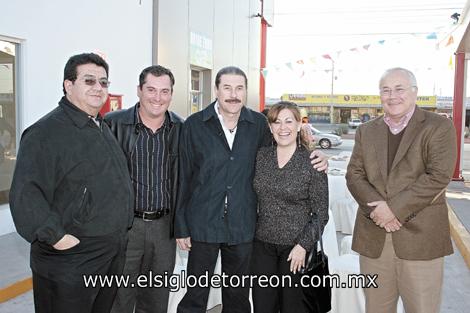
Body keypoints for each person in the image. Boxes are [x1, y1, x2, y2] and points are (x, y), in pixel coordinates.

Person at [174, 66, 328, 313]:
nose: (233, 94)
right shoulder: (194, 125)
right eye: (227, 88)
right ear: (216, 90)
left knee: (237, 297)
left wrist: (316, 155)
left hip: (243, 226)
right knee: (196, 294)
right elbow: (183, 177)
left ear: (246, 91)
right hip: (202, 223)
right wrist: (181, 225)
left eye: (239, 88)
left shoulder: (258, 124)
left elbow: (284, 148)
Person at [9, 53, 134, 313]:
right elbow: (26, 195)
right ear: (68, 85)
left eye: (103, 82)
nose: (98, 88)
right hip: (71, 257)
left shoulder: (100, 126)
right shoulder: (45, 133)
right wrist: (57, 237)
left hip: (109, 252)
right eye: (89, 81)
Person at [346, 67, 457, 313]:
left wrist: (393, 210)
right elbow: (354, 175)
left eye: (399, 89)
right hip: (374, 240)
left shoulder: (438, 126)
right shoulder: (366, 131)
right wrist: (379, 210)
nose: (392, 95)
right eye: (386, 90)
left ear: (415, 93)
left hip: (420, 240)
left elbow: (438, 176)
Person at [105, 65, 184, 313]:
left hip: (164, 228)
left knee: (156, 299)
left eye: (164, 91)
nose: (157, 98)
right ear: (139, 90)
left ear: (171, 94)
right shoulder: (112, 125)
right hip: (126, 227)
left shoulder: (182, 129)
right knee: (120, 296)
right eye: (151, 89)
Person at [251, 101, 329, 313]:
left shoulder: (312, 162)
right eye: (277, 122)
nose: (282, 127)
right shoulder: (261, 157)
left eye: (288, 121)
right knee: (262, 306)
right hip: (262, 246)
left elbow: (321, 213)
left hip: (295, 249)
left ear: (298, 125)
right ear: (270, 127)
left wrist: (303, 245)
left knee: (293, 307)